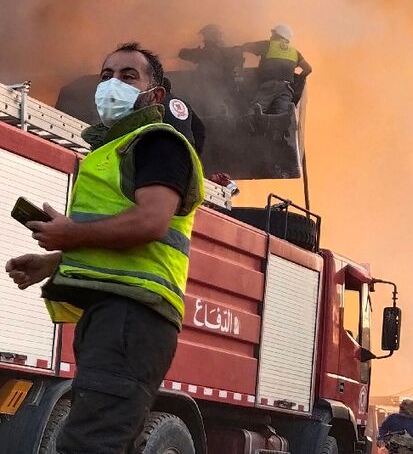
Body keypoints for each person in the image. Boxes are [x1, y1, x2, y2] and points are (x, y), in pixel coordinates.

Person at [5, 42, 204, 453]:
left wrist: (70, 235)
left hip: (132, 319)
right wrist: (54, 260)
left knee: (89, 445)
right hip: (117, 318)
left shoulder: (158, 143)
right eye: (107, 75)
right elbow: (118, 236)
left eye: (128, 76)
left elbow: (151, 222)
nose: (113, 84)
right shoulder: (118, 149)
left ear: (156, 94)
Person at [242, 23, 313, 117]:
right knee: (283, 117)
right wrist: (297, 81)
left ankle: (249, 128)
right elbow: (308, 69)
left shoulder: (268, 45)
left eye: (273, 34)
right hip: (286, 89)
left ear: (277, 34)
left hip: (269, 86)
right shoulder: (295, 52)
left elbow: (247, 47)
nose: (271, 36)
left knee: (254, 113)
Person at [178, 24, 243, 84]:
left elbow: (182, 53)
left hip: (211, 85)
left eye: (205, 36)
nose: (204, 39)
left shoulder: (206, 53)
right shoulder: (229, 51)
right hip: (220, 86)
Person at [162, 76, 206, 155]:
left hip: (169, 153)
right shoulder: (184, 104)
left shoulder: (156, 104)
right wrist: (196, 152)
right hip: (188, 152)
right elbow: (200, 128)